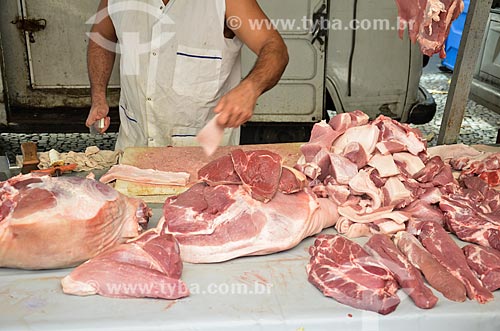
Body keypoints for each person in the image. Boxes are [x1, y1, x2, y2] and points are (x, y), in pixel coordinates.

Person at [85, 0, 289, 150]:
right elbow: (101, 37)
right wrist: (98, 97)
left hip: (203, 163)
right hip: (133, 153)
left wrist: (251, 87)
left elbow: (274, 47)